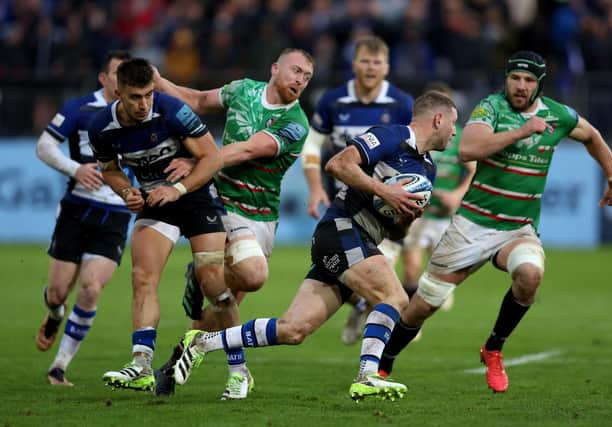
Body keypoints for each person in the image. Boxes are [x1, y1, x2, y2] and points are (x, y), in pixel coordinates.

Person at [171, 91, 458, 401]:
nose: (455, 132)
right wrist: (384, 192)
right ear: (438, 119)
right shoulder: (391, 135)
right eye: (454, 124)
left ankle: (203, 342)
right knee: (395, 297)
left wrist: (406, 217)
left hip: (361, 240)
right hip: (342, 229)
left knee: (293, 330)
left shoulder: (427, 168)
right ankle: (368, 375)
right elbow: (338, 164)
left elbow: (397, 233)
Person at [378, 51, 612, 393]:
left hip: (517, 229)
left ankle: (493, 348)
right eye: (515, 78)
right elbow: (468, 149)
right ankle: (384, 365)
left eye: (528, 80)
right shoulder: (491, 108)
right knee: (422, 306)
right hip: (472, 225)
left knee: (530, 274)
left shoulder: (558, 115)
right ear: (506, 79)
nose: (520, 86)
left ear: (539, 84)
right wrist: (522, 131)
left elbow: (593, 136)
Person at [151, 48, 315, 399]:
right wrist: (158, 81)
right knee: (252, 277)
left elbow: (245, 150)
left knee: (225, 301)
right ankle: (238, 373)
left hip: (258, 215)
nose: (300, 79)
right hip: (219, 202)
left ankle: (181, 354)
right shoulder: (243, 90)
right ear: (275, 68)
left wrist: (199, 162)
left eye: (307, 76)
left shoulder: (296, 123)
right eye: (296, 70)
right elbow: (195, 99)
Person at [88, 57, 234, 392]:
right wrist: (127, 191)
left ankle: (237, 369)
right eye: (135, 97)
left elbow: (213, 157)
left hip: (196, 196)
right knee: (142, 276)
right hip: (156, 202)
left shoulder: (171, 110)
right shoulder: (101, 127)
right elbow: (110, 169)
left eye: (148, 95)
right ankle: (141, 365)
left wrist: (179, 188)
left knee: (213, 282)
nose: (143, 104)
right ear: (117, 94)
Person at [300, 35, 414, 345]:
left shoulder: (402, 104)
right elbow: (312, 146)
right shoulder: (333, 101)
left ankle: (371, 322)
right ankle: (365, 308)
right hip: (342, 206)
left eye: (377, 62)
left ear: (387, 67)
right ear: (354, 64)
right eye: (364, 61)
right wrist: (313, 188)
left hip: (384, 207)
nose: (370, 68)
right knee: (348, 272)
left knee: (375, 271)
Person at [34, 50, 132, 386]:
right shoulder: (79, 108)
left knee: (90, 289)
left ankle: (59, 366)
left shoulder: (143, 111)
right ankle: (54, 314)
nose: (124, 80)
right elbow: (45, 146)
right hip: (77, 208)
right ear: (104, 79)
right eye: (118, 73)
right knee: (58, 293)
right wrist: (75, 168)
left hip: (116, 213)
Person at [398, 82, 476, 313]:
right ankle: (410, 320)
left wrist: (456, 195)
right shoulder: (412, 136)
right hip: (416, 214)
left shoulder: (459, 137)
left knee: (441, 275)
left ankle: (433, 292)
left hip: (445, 217)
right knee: (411, 270)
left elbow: (474, 171)